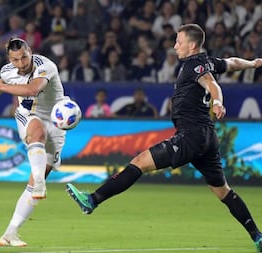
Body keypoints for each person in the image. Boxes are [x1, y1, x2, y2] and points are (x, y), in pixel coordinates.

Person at [66, 24, 262, 252]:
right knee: (223, 191)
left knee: (139, 162)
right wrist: (253, 63)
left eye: (178, 41)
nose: (174, 45)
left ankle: (93, 200)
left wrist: (218, 101)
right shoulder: (208, 61)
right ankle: (257, 236)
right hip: (207, 136)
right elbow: (231, 63)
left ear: (192, 45)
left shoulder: (195, 66)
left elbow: (212, 83)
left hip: (191, 136)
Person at [0, 38, 67, 247]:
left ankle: (10, 233)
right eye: (15, 59)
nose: (21, 63)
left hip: (56, 118)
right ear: (10, 59)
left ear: (30, 52)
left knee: (35, 181)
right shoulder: (8, 70)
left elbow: (32, 90)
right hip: (29, 114)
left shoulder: (46, 66)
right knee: (37, 134)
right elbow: (4, 80)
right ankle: (40, 182)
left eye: (24, 57)